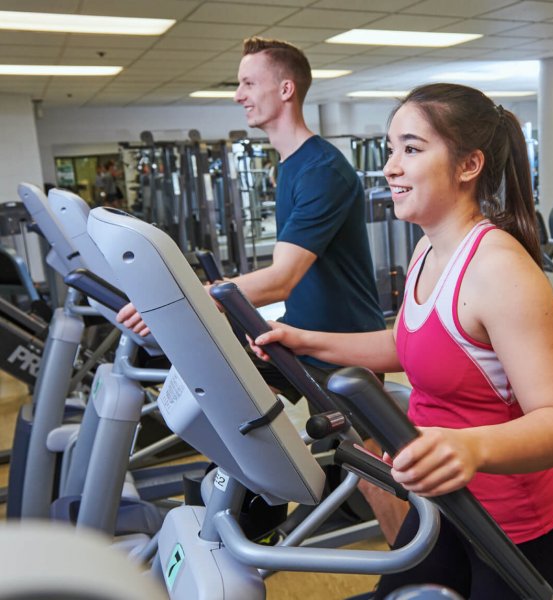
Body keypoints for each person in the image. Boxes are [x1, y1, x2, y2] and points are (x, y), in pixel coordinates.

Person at [250, 83, 553, 600]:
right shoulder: (429, 252)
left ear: (468, 165)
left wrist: (467, 446)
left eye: (411, 148)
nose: (390, 166)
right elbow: (410, 347)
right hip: (444, 508)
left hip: (517, 530)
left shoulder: (498, 268)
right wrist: (304, 340)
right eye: (391, 148)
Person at [116, 37, 407, 542]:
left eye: (248, 82)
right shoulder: (291, 165)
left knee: (378, 474)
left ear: (286, 88)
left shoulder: (321, 169)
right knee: (230, 402)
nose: (238, 94)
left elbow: (281, 276)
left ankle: (417, 563)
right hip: (301, 338)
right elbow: (282, 277)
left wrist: (192, 296)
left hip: (344, 347)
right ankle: (254, 511)